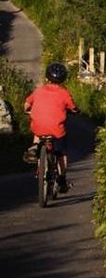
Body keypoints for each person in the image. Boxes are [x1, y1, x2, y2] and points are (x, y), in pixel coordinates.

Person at [24, 62, 78, 193]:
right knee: (61, 154)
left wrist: (27, 110)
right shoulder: (64, 93)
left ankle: (35, 148)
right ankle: (62, 179)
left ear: (47, 77)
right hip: (56, 130)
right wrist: (75, 110)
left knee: (38, 129)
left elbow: (26, 104)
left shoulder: (38, 90)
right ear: (63, 79)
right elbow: (73, 107)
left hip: (39, 127)